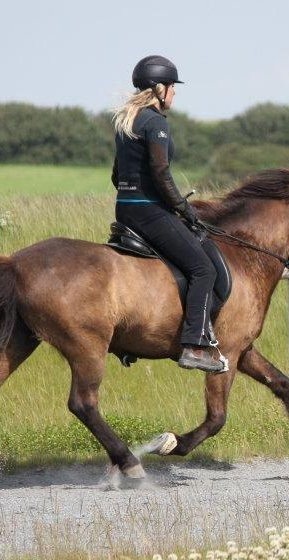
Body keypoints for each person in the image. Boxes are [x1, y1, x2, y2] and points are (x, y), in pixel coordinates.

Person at [110, 55, 226, 373]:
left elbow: (116, 175)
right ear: (159, 89)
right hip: (149, 213)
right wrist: (183, 209)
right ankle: (194, 345)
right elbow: (161, 174)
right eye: (172, 86)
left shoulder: (125, 121)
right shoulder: (156, 123)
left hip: (126, 209)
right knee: (204, 269)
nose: (174, 93)